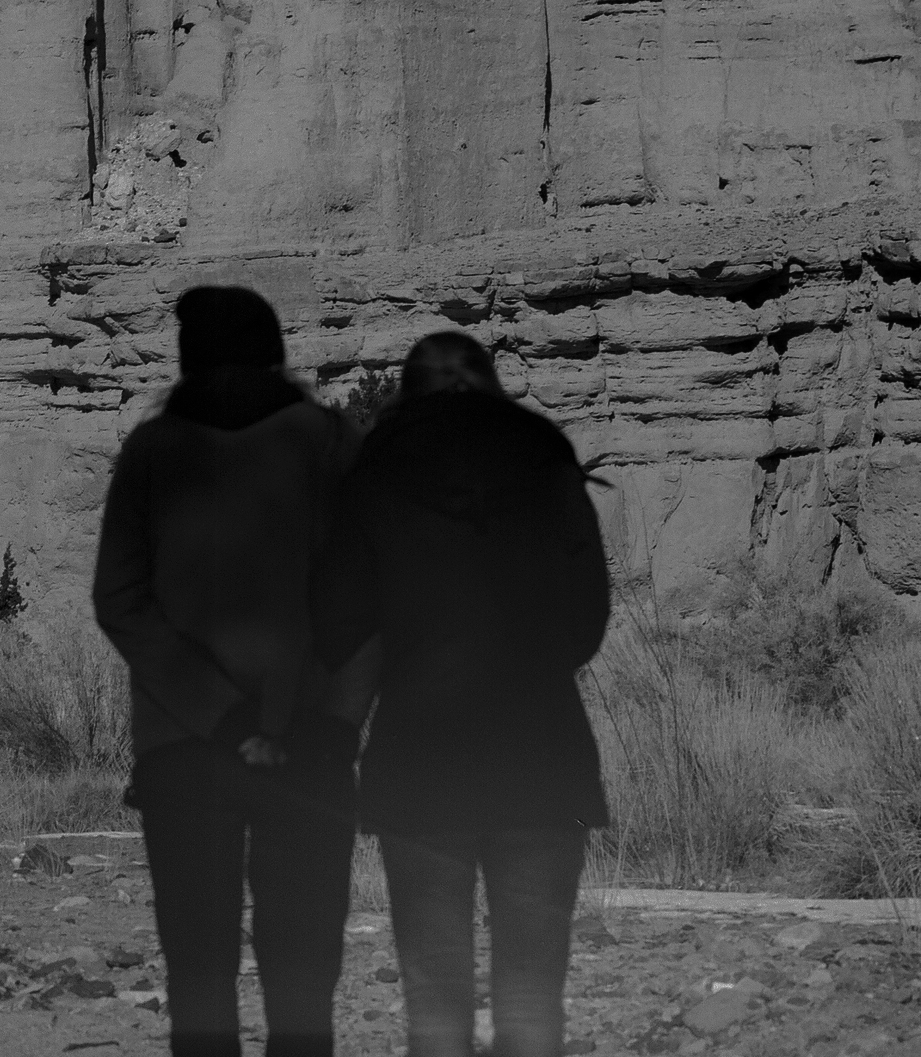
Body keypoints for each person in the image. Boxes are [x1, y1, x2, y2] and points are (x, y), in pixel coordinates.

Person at [93, 285, 376, 1057]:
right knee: (303, 981)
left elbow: (119, 600)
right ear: (271, 351)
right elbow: (370, 597)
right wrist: (332, 720)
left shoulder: (153, 450)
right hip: (306, 746)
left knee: (199, 981)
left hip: (183, 750)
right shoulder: (330, 441)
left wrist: (218, 714)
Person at [312, 330, 610, 1057]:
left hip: (419, 760)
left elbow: (345, 629)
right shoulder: (544, 456)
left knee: (435, 1002)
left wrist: (338, 731)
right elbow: (588, 618)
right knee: (533, 1001)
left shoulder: (376, 470)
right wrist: (531, 667)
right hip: (542, 754)